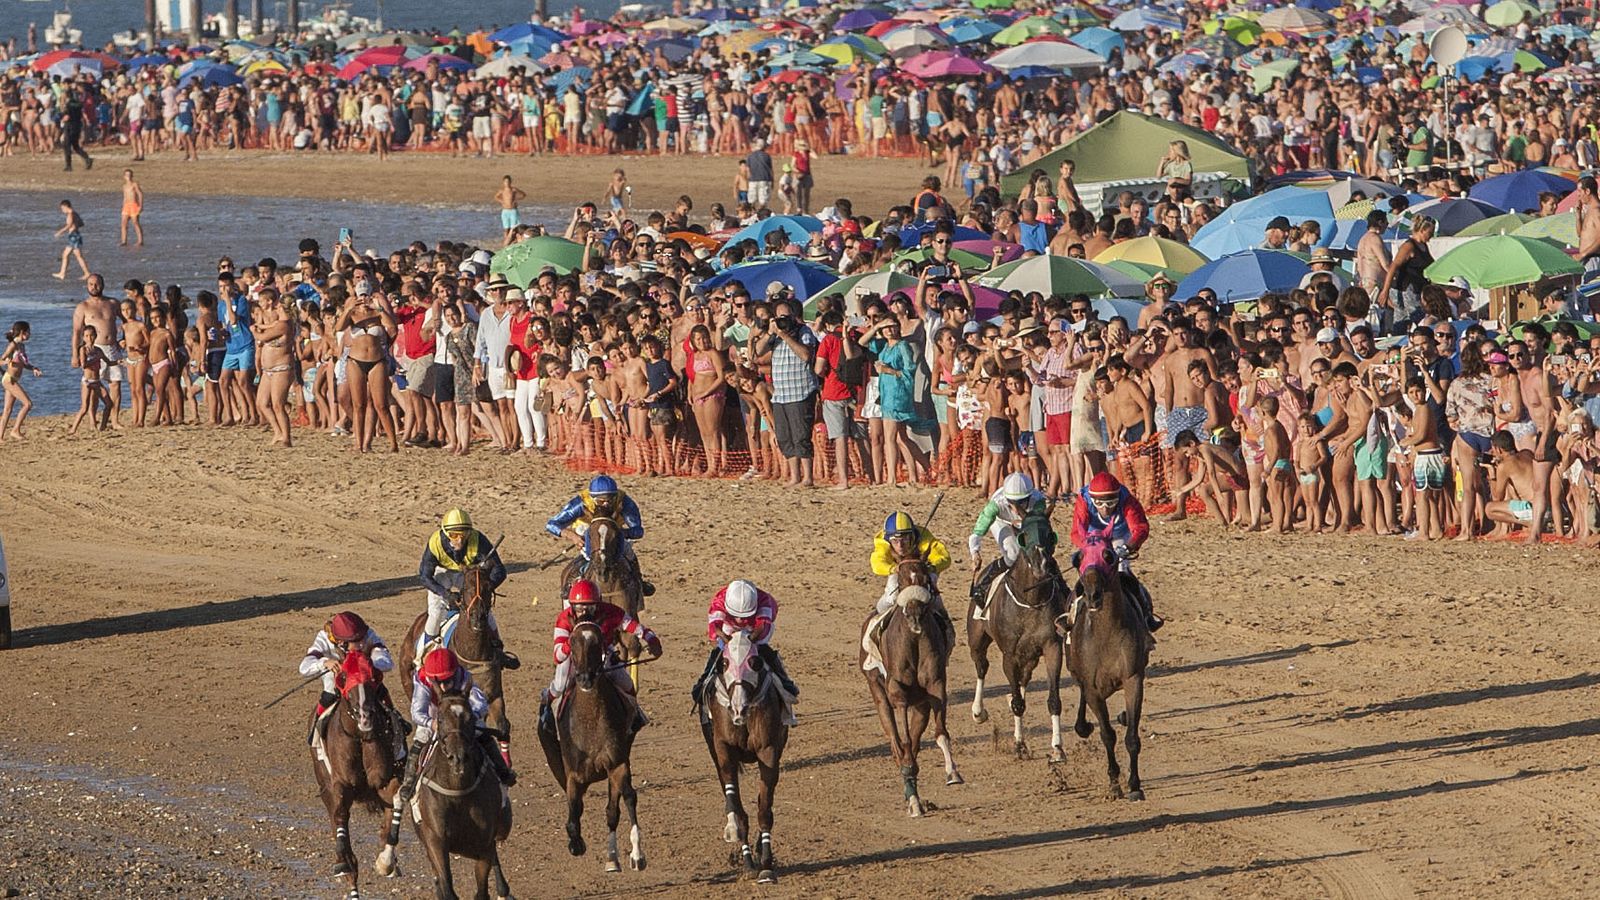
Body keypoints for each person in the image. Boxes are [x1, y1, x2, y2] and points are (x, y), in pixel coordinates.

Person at [394, 647, 516, 812]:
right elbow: (417, 712)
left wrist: (468, 716)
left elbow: (481, 703)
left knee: (483, 733)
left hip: (461, 717)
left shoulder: (464, 675)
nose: (444, 686)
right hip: (434, 716)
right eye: (440, 682)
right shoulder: (422, 679)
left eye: (448, 681)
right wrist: (432, 723)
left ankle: (503, 771)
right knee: (420, 740)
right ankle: (408, 783)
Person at [538, 579, 662, 735]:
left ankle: (634, 716)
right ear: (571, 605)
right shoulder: (564, 618)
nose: (584, 612)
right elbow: (557, 656)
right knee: (560, 685)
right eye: (579, 607)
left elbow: (634, 627)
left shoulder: (610, 612)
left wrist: (651, 638)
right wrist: (571, 643)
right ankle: (546, 710)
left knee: (628, 685)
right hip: (574, 657)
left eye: (589, 607)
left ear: (597, 604)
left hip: (602, 654)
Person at [417, 508, 516, 667]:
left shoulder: (479, 540)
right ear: (445, 533)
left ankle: (498, 650)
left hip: (467, 574)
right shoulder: (435, 543)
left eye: (464, 535)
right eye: (454, 535)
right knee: (435, 613)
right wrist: (446, 594)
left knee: (484, 611)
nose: (460, 540)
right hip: (440, 574)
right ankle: (422, 655)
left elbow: (499, 570)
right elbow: (424, 577)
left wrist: (486, 587)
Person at [297, 611, 403, 749]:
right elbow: (304, 667)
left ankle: (396, 724)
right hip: (337, 680)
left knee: (380, 691)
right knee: (329, 692)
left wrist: (369, 662)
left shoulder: (367, 633)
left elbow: (386, 662)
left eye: (362, 639)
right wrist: (324, 662)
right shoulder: (324, 638)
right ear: (342, 642)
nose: (361, 644)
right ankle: (316, 732)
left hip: (364, 679)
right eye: (357, 642)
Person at [690, 579, 799, 710]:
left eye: (744, 615)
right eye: (737, 615)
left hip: (755, 629)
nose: (740, 619)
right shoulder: (719, 599)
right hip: (729, 628)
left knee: (764, 650)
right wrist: (726, 640)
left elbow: (762, 626)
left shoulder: (765, 601)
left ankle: (784, 681)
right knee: (718, 652)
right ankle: (704, 680)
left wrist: (749, 640)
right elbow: (716, 627)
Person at [1071, 472, 1160, 632]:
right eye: (1099, 503)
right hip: (1092, 539)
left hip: (1119, 535)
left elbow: (1140, 527)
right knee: (1086, 573)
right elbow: (1077, 531)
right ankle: (1071, 617)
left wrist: (1130, 546)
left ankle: (1145, 615)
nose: (1105, 508)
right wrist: (1087, 547)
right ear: (1092, 499)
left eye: (1111, 502)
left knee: (1123, 570)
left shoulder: (1127, 499)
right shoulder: (1083, 499)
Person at [545, 474, 654, 596]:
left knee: (628, 551)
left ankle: (639, 581)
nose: (606, 504)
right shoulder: (581, 503)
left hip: (614, 530)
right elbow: (551, 524)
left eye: (610, 499)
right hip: (587, 529)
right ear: (592, 498)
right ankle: (574, 580)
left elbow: (638, 530)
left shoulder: (624, 502)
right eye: (601, 501)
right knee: (589, 553)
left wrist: (618, 534)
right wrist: (572, 536)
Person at [967, 472, 1049, 609]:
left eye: (1022, 502)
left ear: (1029, 496)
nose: (1016, 508)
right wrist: (975, 553)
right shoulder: (995, 505)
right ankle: (984, 584)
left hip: (1028, 523)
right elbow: (978, 532)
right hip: (1001, 521)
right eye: (1012, 502)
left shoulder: (1039, 501)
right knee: (1013, 553)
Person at [53, 200, 89, 281]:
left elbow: (68, 225)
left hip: (73, 236)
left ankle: (63, 273)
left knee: (67, 255)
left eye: (62, 208)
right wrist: (75, 225)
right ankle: (63, 273)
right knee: (73, 255)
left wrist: (59, 232)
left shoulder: (70, 214)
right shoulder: (75, 214)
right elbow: (81, 223)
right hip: (77, 235)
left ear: (66, 206)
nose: (62, 210)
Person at [494, 175, 526, 246]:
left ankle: (513, 241)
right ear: (503, 183)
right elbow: (496, 197)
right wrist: (501, 201)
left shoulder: (513, 190)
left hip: (512, 210)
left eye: (508, 182)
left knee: (513, 228)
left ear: (510, 182)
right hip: (505, 211)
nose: (507, 183)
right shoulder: (502, 191)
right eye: (505, 182)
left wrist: (516, 200)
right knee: (506, 228)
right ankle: (506, 242)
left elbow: (523, 194)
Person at [120, 169, 145, 247]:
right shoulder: (124, 186)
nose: (128, 177)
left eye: (130, 175)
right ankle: (124, 241)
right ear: (124, 176)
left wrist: (140, 205)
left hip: (134, 205)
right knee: (123, 223)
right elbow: (124, 197)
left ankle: (140, 241)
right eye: (127, 175)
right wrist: (123, 206)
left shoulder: (134, 184)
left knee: (135, 223)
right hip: (126, 206)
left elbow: (140, 194)